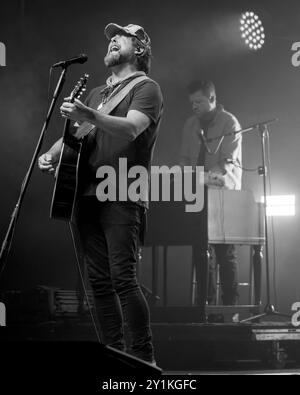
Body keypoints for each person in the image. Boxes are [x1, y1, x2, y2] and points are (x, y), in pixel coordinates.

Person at [38, 23, 163, 365]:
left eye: (120, 36)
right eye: (110, 36)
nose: (111, 39)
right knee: (99, 283)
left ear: (138, 49)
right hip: (86, 196)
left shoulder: (146, 88)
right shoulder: (95, 94)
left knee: (123, 278)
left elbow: (132, 128)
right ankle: (117, 357)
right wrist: (50, 154)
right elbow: (75, 136)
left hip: (122, 192)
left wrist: (88, 113)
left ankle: (144, 360)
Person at [179, 80, 242, 306]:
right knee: (201, 250)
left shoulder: (230, 122)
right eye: (192, 102)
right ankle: (204, 307)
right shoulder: (189, 124)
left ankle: (230, 308)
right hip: (198, 196)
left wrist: (199, 178)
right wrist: (184, 178)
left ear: (212, 99)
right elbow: (185, 159)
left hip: (224, 196)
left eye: (199, 101)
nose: (194, 106)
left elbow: (225, 164)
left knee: (225, 254)